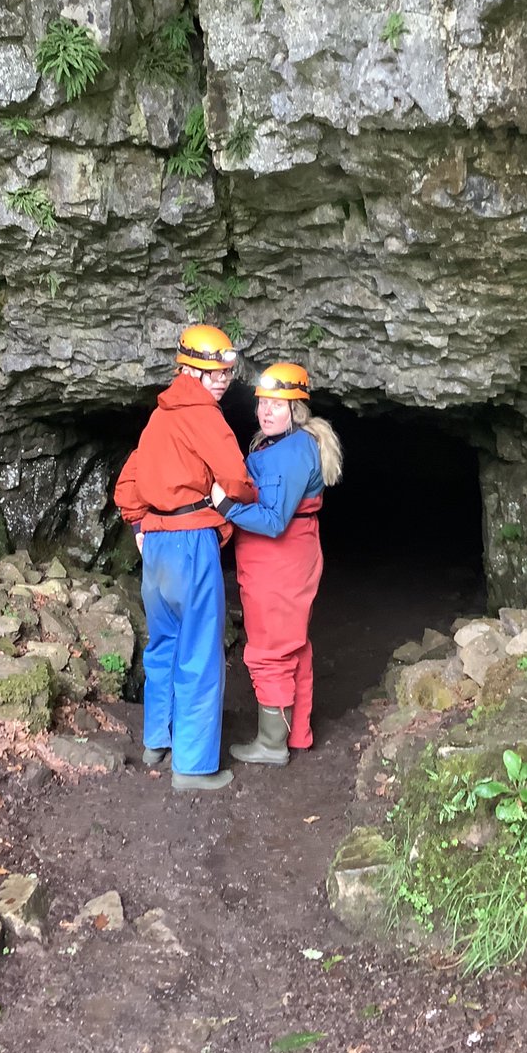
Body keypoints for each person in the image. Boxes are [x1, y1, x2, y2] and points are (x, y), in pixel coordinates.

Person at [114, 324, 255, 792]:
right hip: (192, 540)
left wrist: (139, 524)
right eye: (214, 372)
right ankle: (193, 767)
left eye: (227, 373)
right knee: (199, 650)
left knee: (163, 645)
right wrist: (228, 502)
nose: (223, 381)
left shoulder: (159, 418)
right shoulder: (204, 416)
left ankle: (158, 738)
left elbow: (126, 484)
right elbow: (236, 478)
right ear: (188, 369)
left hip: (154, 547)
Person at [210, 362, 342, 765]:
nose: (265, 411)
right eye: (262, 403)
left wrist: (225, 505)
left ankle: (271, 744)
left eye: (276, 404)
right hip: (289, 557)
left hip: (278, 561)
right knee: (293, 645)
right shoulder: (291, 445)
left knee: (269, 648)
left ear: (296, 409)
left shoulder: (289, 453)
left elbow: (272, 520)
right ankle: (296, 733)